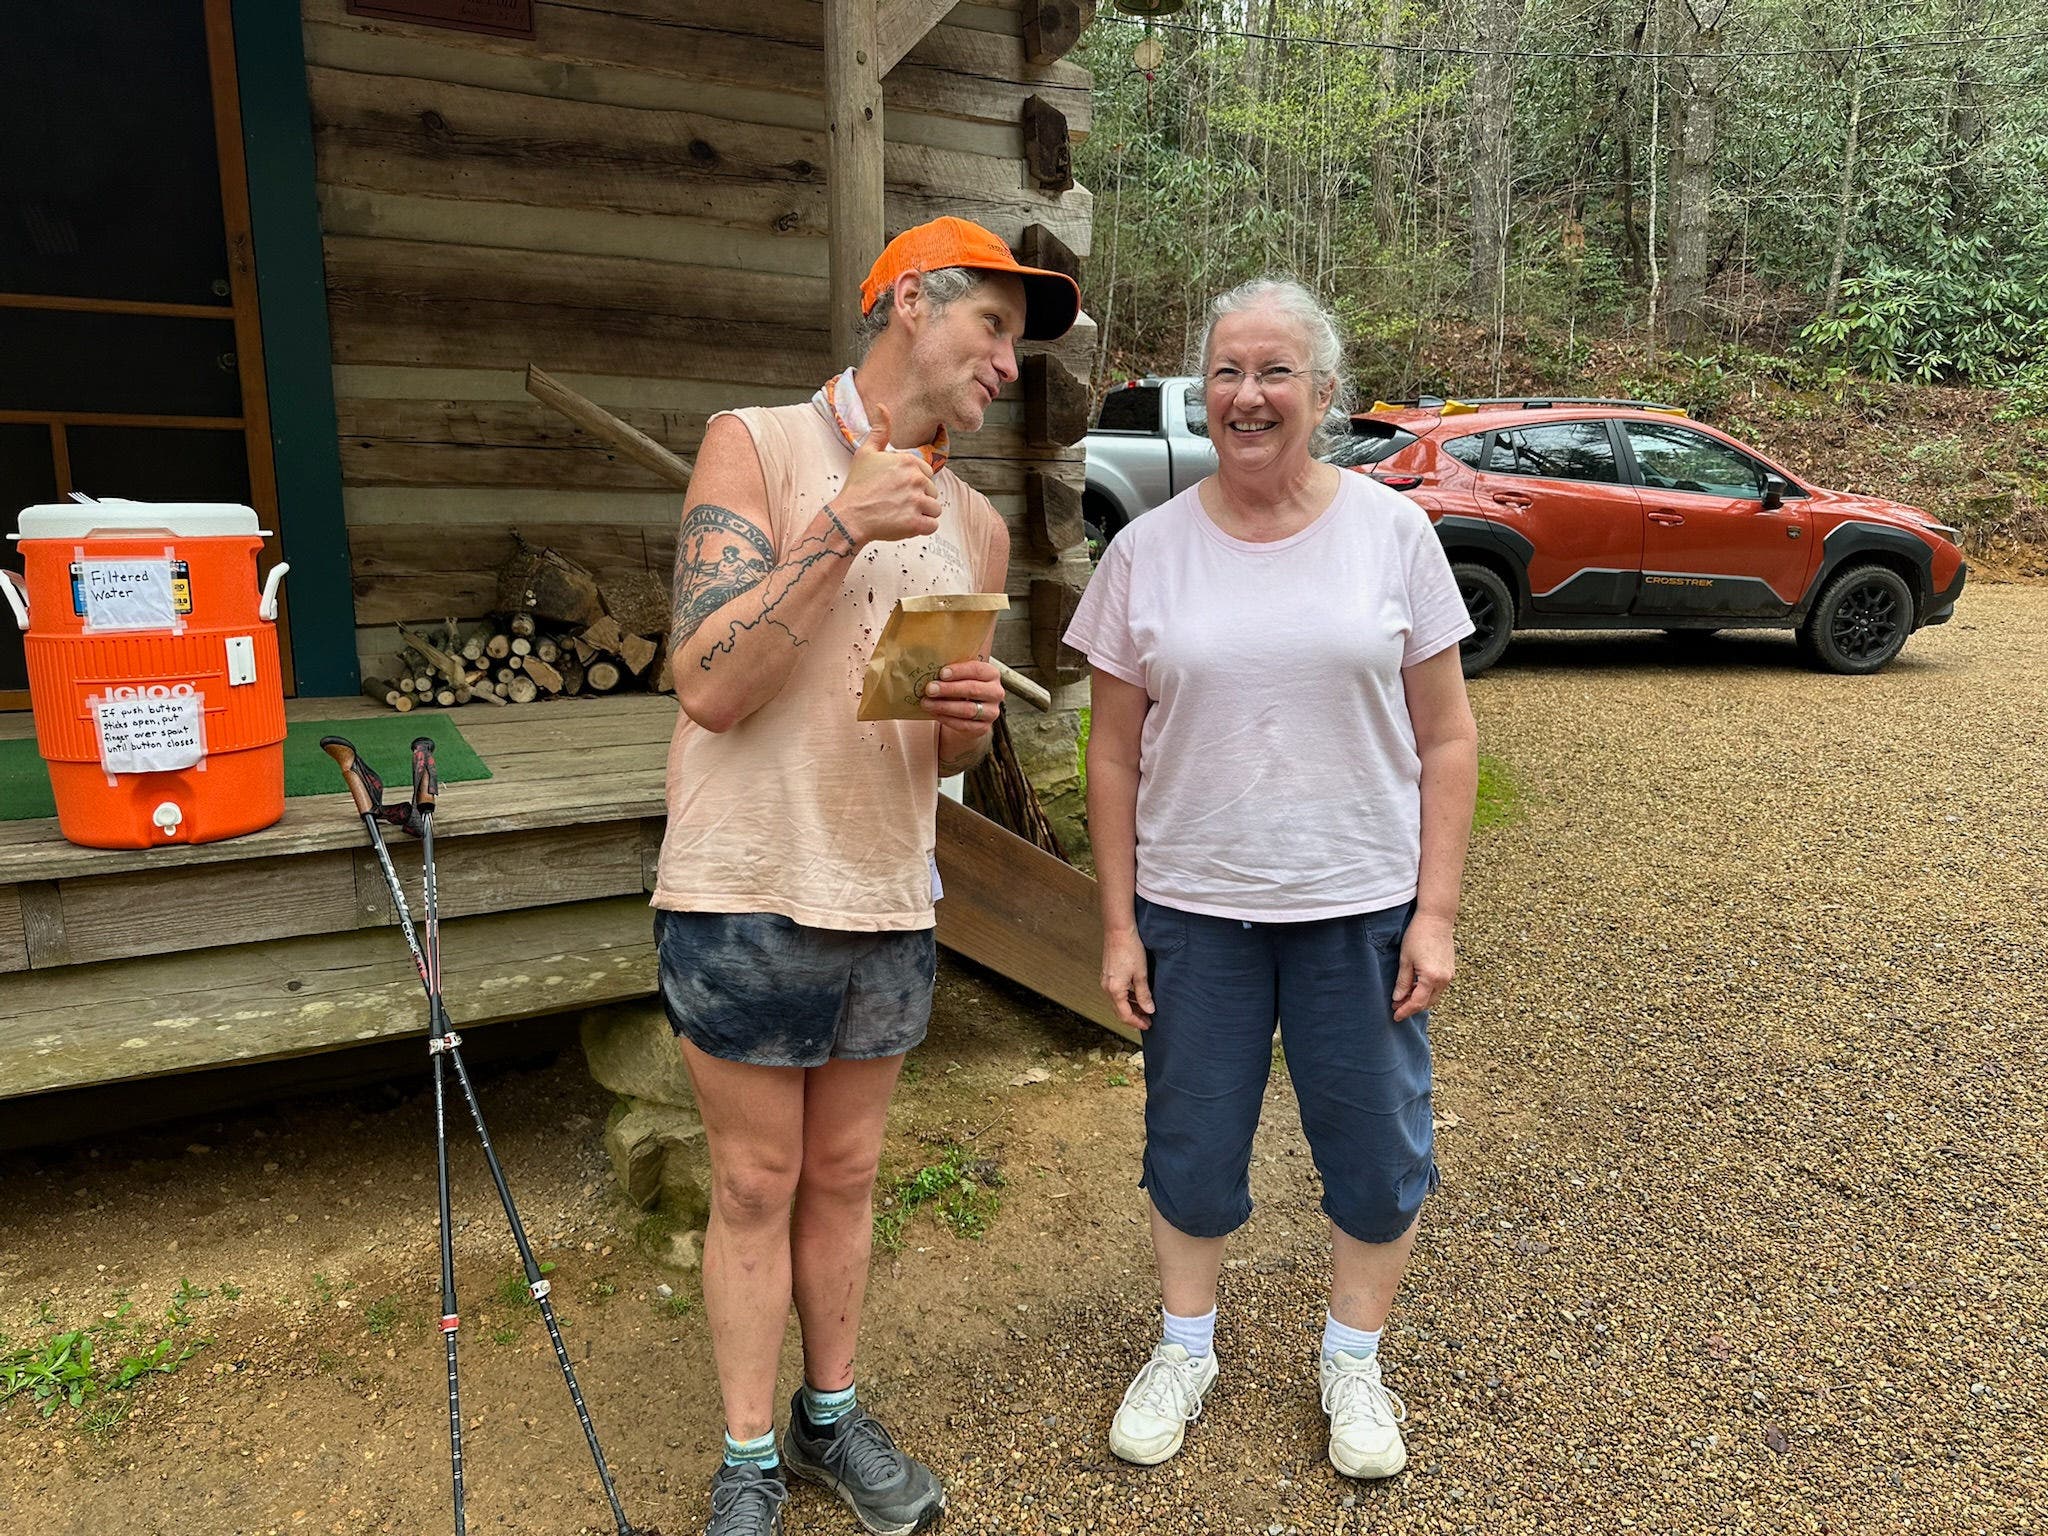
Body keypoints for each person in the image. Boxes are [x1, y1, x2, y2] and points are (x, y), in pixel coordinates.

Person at [653, 217, 1080, 1536]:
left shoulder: (976, 528)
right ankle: (746, 1460)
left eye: (1017, 343)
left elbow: (920, 733)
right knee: (752, 1187)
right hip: (742, 882)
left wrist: (963, 725)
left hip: (887, 891)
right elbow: (708, 686)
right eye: (992, 326)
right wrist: (839, 525)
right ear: (908, 305)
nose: (1007, 361)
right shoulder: (759, 445)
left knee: (844, 1178)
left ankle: (827, 1419)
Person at [1063, 277, 1479, 1481]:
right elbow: (1110, 754)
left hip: (1360, 907)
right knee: (1190, 1145)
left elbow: (1447, 737)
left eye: (1274, 371)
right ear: (1204, 391)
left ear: (1323, 393)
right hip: (1195, 910)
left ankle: (1352, 1360)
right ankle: (1183, 1347)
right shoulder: (1144, 552)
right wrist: (1117, 924)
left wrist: (1435, 912)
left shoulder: (1391, 535)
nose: (1247, 395)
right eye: (1226, 372)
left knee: (1375, 1151)